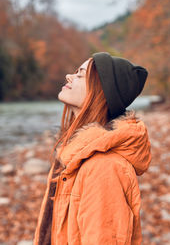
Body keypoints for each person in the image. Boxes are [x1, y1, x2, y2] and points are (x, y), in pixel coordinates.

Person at [33, 52, 152, 245]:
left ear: (100, 90)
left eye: (80, 74)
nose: (68, 76)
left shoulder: (103, 168)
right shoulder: (72, 154)